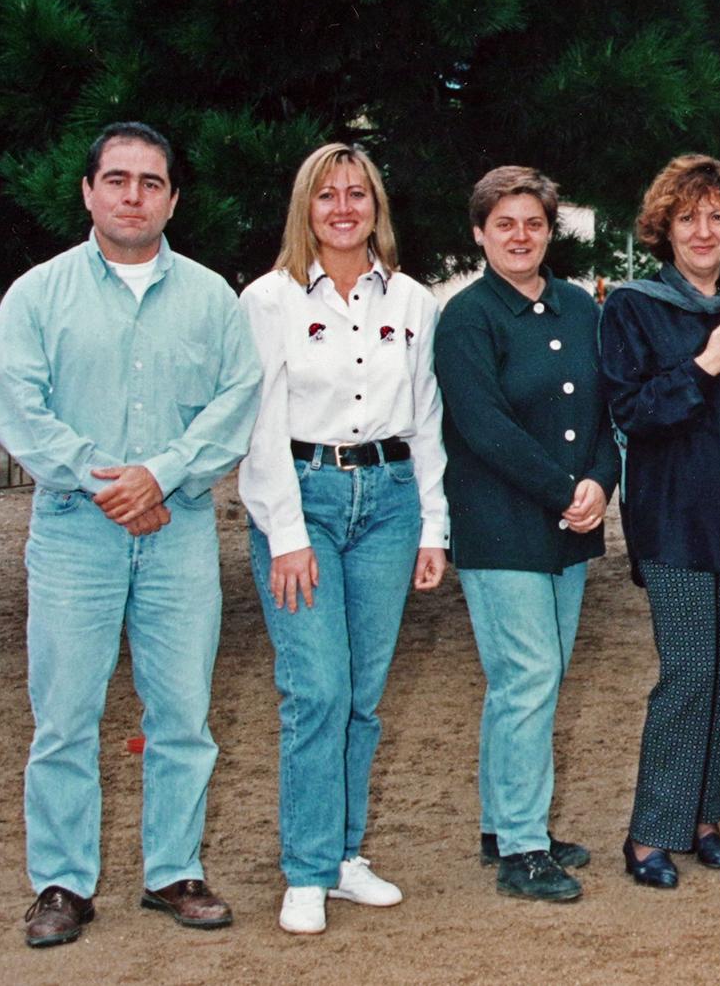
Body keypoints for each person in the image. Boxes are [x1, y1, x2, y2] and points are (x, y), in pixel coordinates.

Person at [0, 123, 260, 950]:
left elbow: (237, 402)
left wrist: (163, 472)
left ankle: (173, 869)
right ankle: (62, 882)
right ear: (88, 190)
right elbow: (12, 403)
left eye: (150, 181)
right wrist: (108, 477)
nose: (132, 194)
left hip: (176, 530)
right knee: (64, 713)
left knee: (182, 709)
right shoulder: (39, 295)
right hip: (75, 530)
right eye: (117, 179)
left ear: (173, 196)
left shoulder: (213, 297)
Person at [240, 142, 449, 934]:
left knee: (362, 693)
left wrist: (434, 526)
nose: (342, 208)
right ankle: (305, 868)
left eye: (356, 194)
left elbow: (426, 416)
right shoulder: (269, 300)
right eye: (326, 195)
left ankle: (342, 855)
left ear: (376, 207)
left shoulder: (413, 301)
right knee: (317, 688)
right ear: (306, 207)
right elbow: (257, 425)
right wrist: (286, 533)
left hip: (390, 503)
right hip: (305, 501)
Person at [600, 154, 720, 891]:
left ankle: (704, 817)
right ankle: (650, 828)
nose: (703, 230)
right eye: (687, 218)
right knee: (689, 671)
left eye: (715, 216)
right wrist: (703, 367)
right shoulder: (635, 306)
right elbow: (631, 411)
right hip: (674, 516)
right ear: (664, 229)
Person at [436, 166, 619, 902]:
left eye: (534, 223)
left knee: (529, 681)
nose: (520, 236)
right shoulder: (466, 316)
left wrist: (601, 484)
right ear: (480, 233)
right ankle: (522, 846)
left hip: (569, 525)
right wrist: (560, 489)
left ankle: (501, 819)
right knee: (529, 676)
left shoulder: (581, 307)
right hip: (501, 523)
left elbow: (608, 414)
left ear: (551, 230)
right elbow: (483, 427)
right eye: (504, 223)